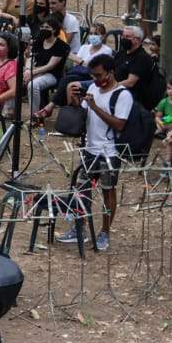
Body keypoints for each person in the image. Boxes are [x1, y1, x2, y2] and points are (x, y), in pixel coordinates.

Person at [49, 53, 131, 252]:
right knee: (81, 188)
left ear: (110, 73)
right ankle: (79, 227)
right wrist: (76, 102)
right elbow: (85, 112)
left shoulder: (122, 95)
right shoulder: (94, 88)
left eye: (99, 75)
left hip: (109, 152)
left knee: (107, 191)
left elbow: (119, 124)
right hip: (90, 149)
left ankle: (104, 232)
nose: (95, 79)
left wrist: (95, 107)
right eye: (93, 75)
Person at [25, 22, 69, 113]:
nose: (44, 29)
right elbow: (30, 57)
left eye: (47, 27)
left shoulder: (61, 45)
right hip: (36, 70)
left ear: (54, 30)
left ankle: (35, 115)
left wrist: (33, 72)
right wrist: (28, 70)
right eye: (42, 26)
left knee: (33, 85)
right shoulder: (39, 41)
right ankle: (10, 110)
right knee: (14, 77)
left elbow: (50, 66)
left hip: (52, 74)